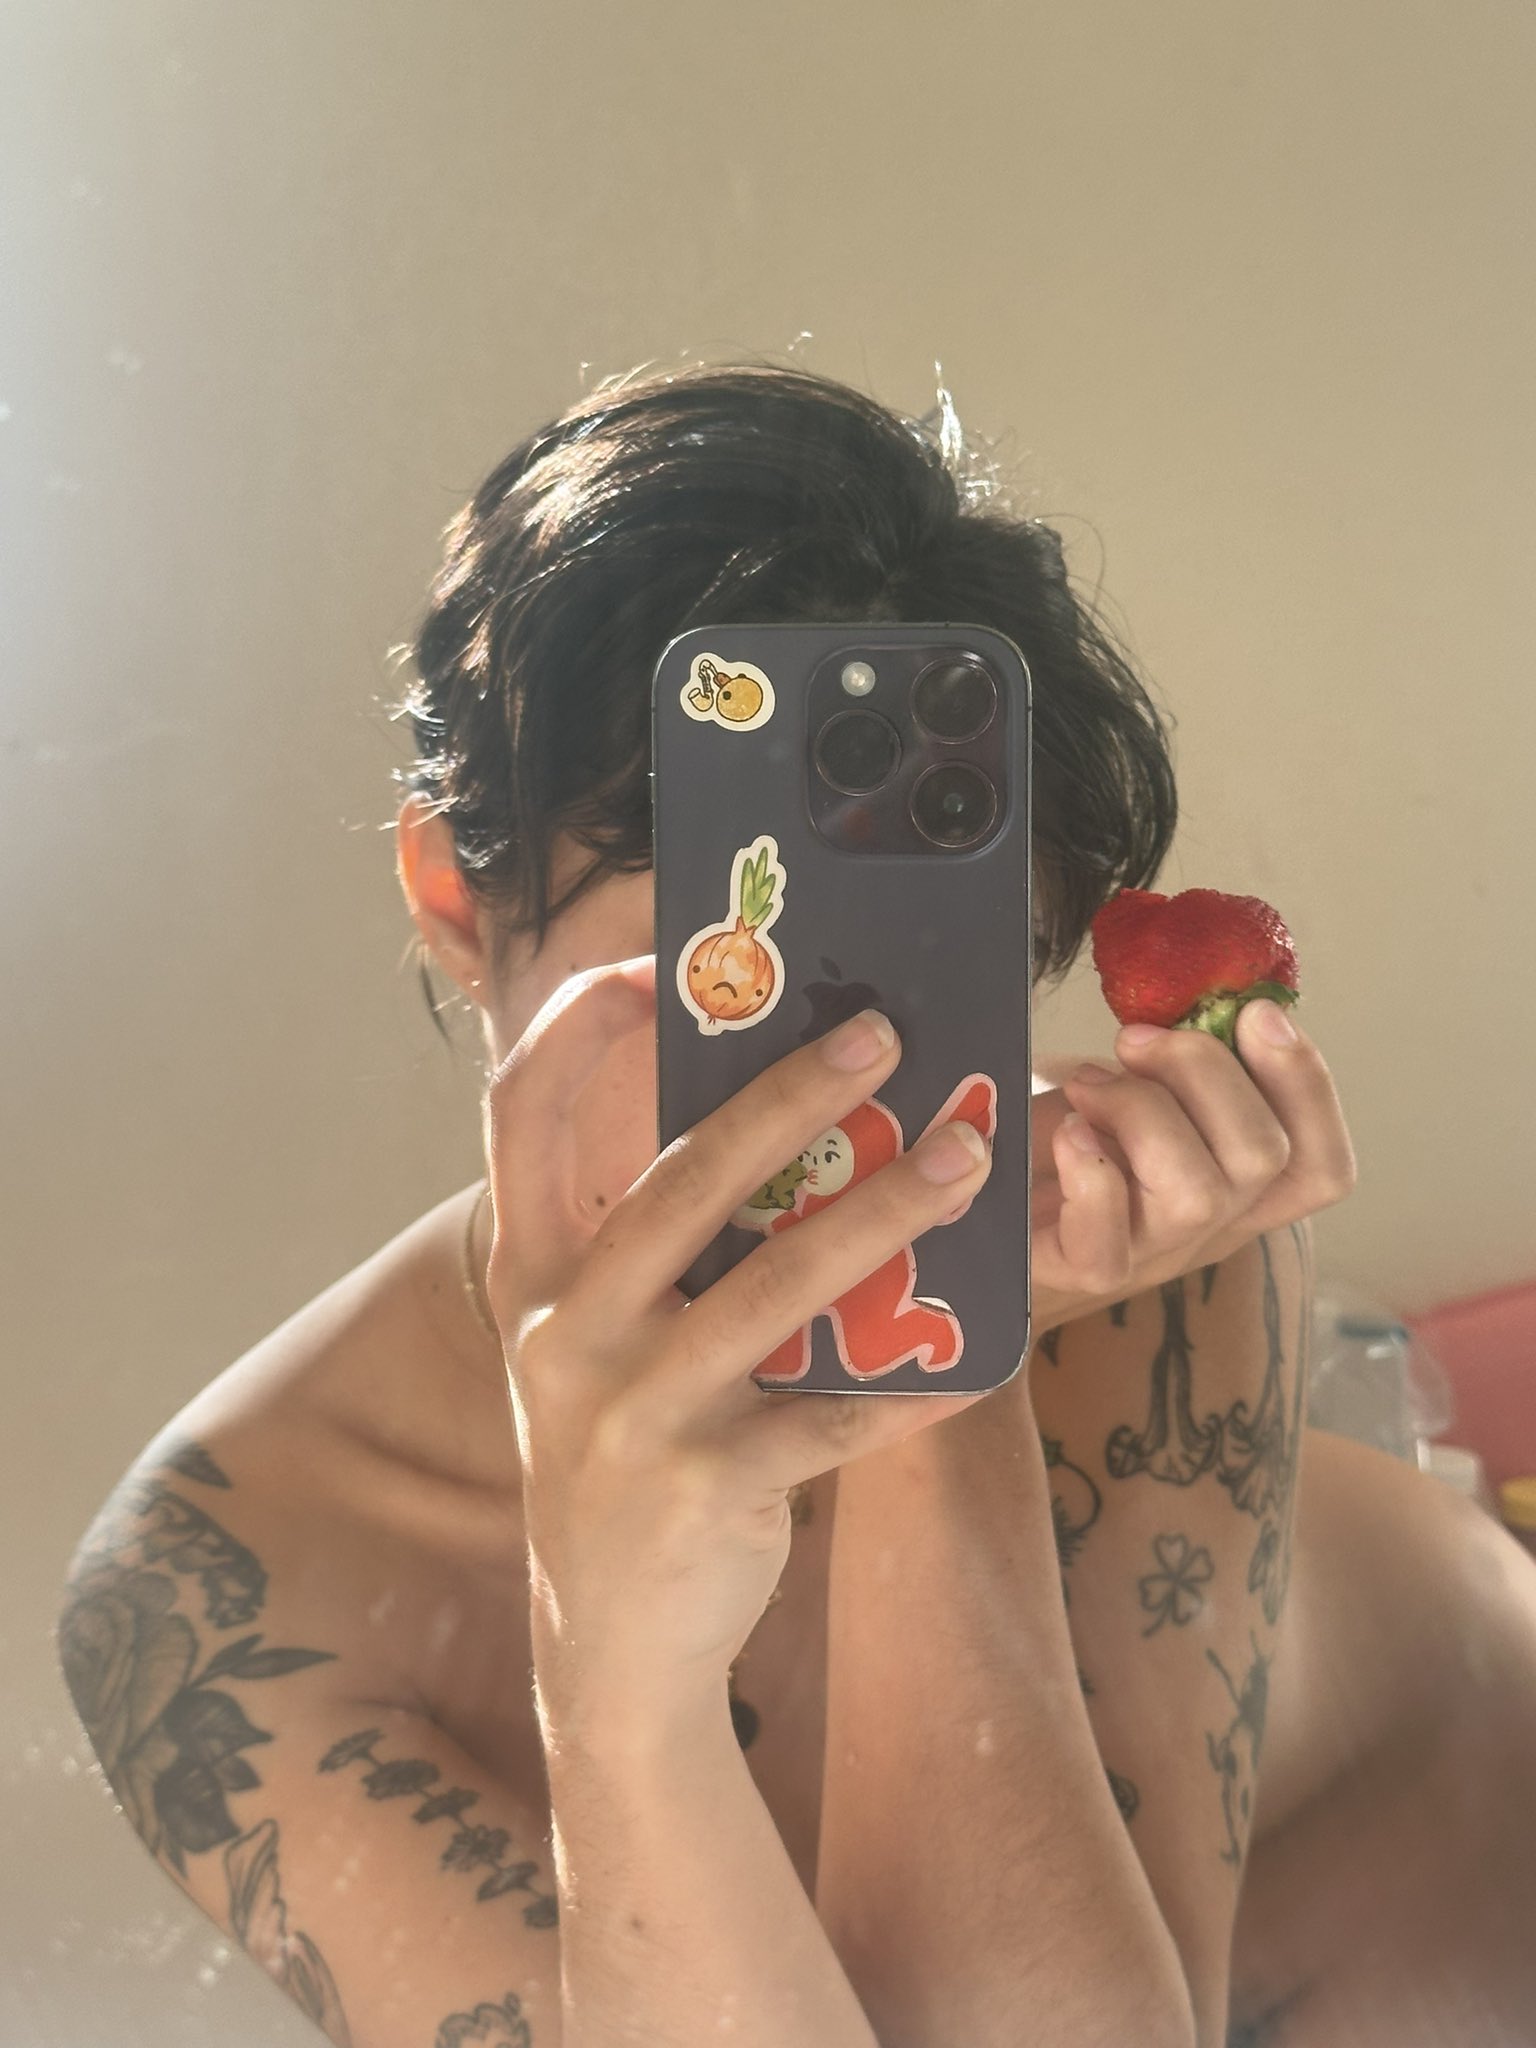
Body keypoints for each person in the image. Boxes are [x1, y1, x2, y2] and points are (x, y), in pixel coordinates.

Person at [58, 361, 1536, 2048]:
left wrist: (927, 1372)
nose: (844, 1082)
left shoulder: (1135, 1253)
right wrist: (619, 1691)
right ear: (458, 904)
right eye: (731, 983)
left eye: (944, 977)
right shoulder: (226, 1585)